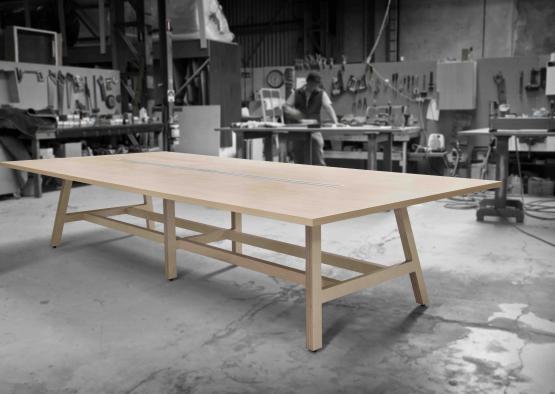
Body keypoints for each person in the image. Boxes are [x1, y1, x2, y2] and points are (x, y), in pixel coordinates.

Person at [283, 72, 338, 165]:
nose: (314, 87)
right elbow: (285, 107)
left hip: (314, 130)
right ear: (307, 82)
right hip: (298, 130)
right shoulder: (297, 93)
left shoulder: (321, 94)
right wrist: (292, 112)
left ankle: (319, 177)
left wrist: (336, 122)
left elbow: (329, 108)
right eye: (312, 84)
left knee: (317, 157)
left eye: (316, 85)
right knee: (299, 159)